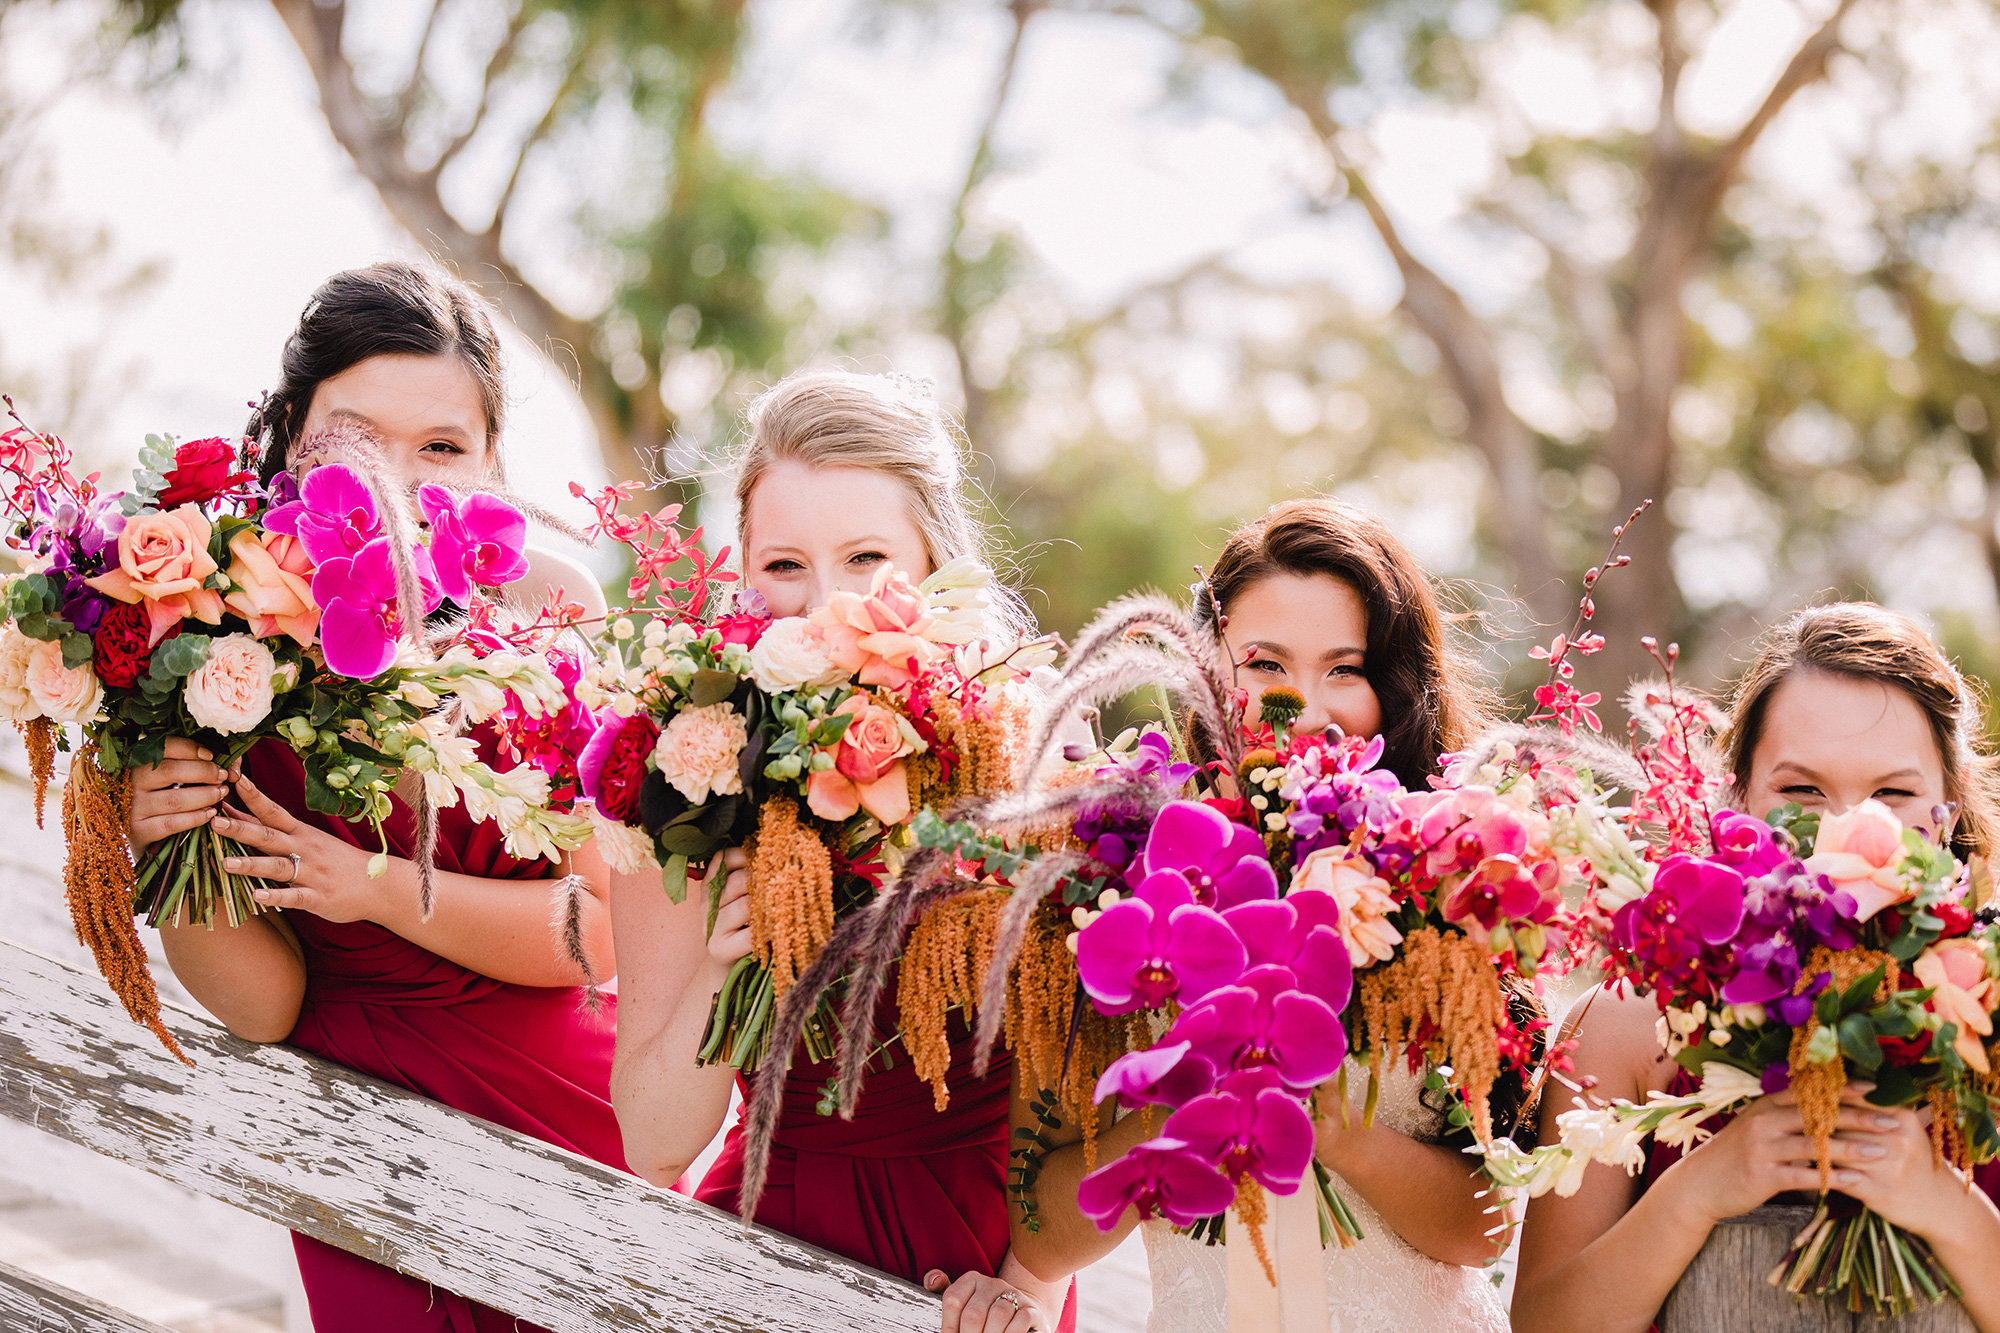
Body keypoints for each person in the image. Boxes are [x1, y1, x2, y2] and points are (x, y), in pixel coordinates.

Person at [124, 261, 618, 1333]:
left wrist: (373, 886)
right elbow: (263, 1005)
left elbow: (601, 936)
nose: (396, 482)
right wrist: (171, 851)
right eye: (353, 441)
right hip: (357, 1136)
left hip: (569, 1125)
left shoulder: (550, 604)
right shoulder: (210, 627)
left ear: (492, 461)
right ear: (290, 436)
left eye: (441, 446)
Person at [607, 369, 1072, 1333]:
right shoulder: (692, 770)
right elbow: (653, 1140)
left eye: (866, 558)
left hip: (983, 1279)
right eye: (786, 565)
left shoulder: (1038, 769)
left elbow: (1073, 1100)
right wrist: (720, 963)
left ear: (937, 558)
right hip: (761, 1256)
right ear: (742, 570)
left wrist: (1024, 1291)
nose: (826, 605)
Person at [1008, 497, 1520, 1333]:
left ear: (1394, 688)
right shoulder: (1102, 886)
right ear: (1209, 668)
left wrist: (1340, 1129)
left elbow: (1490, 1222)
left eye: (1344, 669)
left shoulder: (1461, 887)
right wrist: (1183, 1108)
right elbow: (1039, 1231)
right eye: (1265, 664)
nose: (1304, 706)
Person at [1511, 602, 2000, 1333]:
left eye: (1893, 792)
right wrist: (1700, 1188)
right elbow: (1545, 1323)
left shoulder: (1983, 1008)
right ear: (1736, 797)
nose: (1841, 825)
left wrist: (1945, 1208)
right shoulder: (1624, 1024)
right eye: (1801, 789)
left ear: (1945, 807)